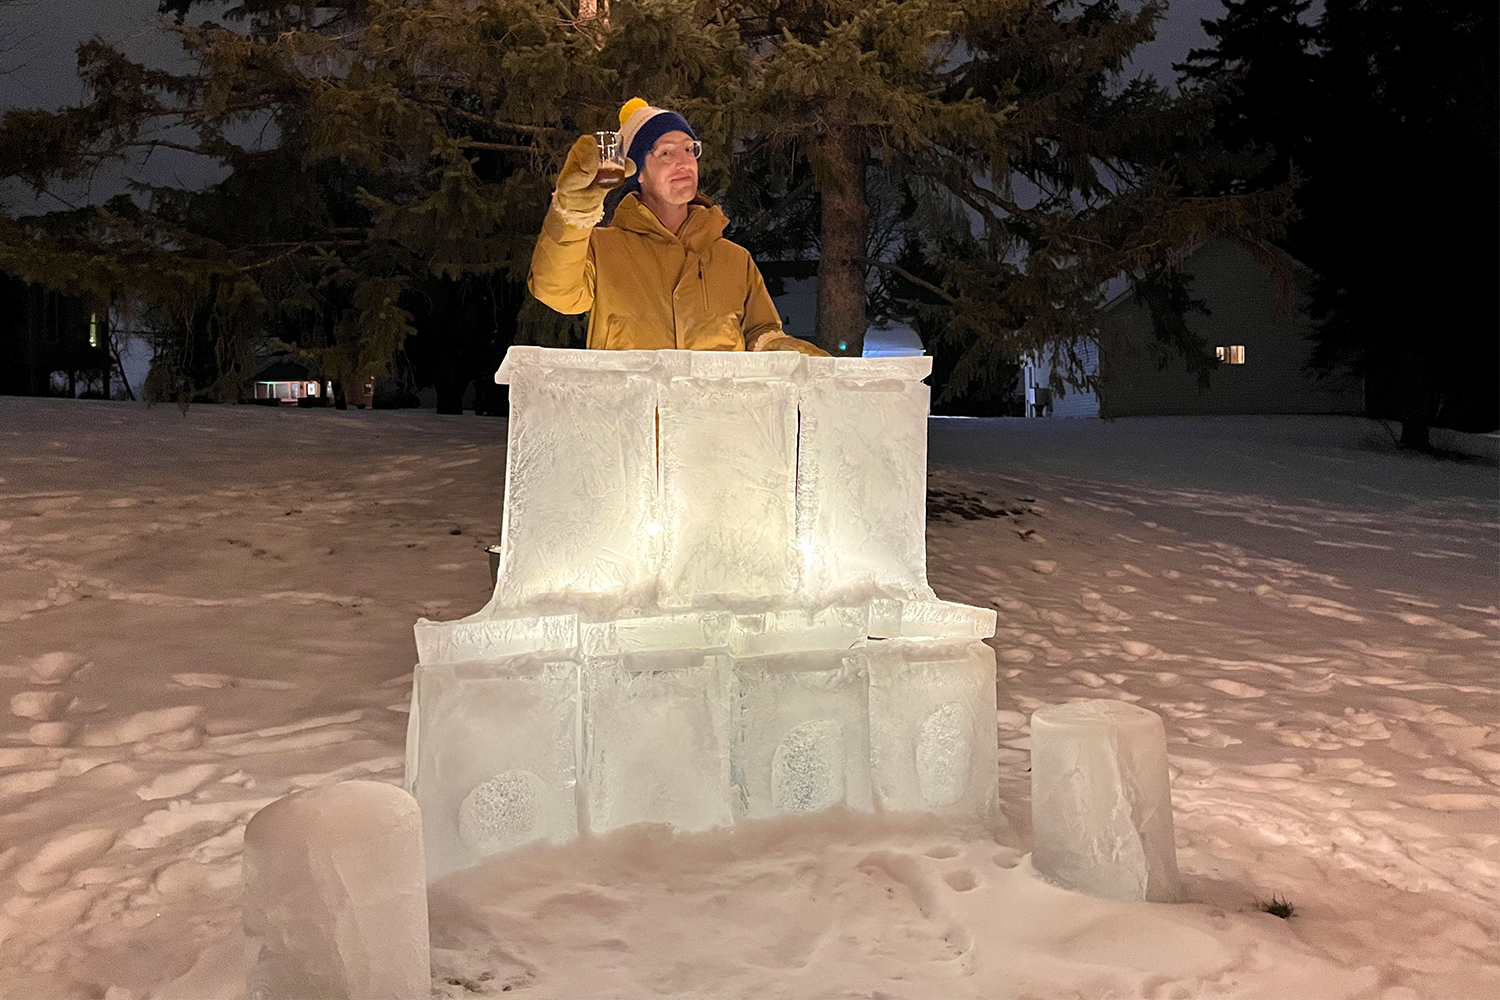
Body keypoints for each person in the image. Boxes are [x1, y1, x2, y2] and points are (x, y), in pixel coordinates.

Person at [528, 98, 828, 356]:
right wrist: (572, 212)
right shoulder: (601, 248)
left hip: (717, 422)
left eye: (689, 149)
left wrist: (777, 349)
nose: (684, 162)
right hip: (631, 422)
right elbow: (555, 292)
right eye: (666, 153)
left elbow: (761, 333)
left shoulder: (735, 260)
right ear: (638, 173)